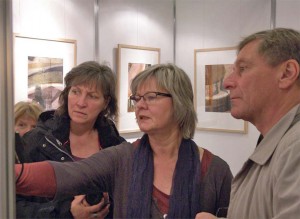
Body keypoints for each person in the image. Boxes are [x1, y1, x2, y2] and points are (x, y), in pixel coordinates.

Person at [16, 63, 233, 218]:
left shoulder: (216, 172)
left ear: (179, 102)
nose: (140, 105)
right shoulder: (121, 158)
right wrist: (9, 175)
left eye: (151, 97)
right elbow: (66, 175)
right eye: (137, 98)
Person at [196, 28, 300, 219]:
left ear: (287, 73)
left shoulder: (295, 147)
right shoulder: (281, 144)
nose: (227, 82)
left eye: (242, 69)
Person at [16, 61, 125, 219]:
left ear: (105, 102)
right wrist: (66, 213)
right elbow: (13, 204)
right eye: (76, 92)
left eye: (92, 96)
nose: (81, 103)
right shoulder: (36, 142)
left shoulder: (116, 146)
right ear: (67, 94)